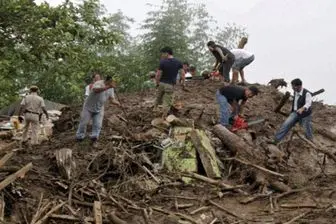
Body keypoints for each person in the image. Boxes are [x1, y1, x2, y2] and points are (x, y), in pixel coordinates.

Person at [76, 75, 120, 146]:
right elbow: (96, 90)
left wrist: (118, 103)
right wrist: (108, 87)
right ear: (108, 80)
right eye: (112, 82)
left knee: (98, 124)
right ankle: (79, 137)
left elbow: (111, 100)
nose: (113, 83)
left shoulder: (111, 89)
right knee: (84, 122)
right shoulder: (99, 83)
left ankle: (94, 137)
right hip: (88, 107)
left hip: (99, 107)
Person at [273, 79, 313, 143]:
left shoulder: (307, 93)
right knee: (285, 125)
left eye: (293, 86)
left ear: (299, 86)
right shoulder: (295, 92)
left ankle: (311, 142)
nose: (292, 88)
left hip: (305, 115)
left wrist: (302, 109)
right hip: (295, 113)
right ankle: (276, 140)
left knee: (307, 130)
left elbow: (308, 103)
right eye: (292, 86)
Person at [155, 47, 184, 117]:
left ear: (167, 53)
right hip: (170, 85)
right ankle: (164, 117)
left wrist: (157, 83)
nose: (162, 55)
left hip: (161, 84)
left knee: (158, 99)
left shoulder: (162, 62)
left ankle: (156, 113)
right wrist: (183, 83)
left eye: (163, 53)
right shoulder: (178, 62)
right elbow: (182, 74)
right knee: (167, 102)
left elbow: (158, 74)